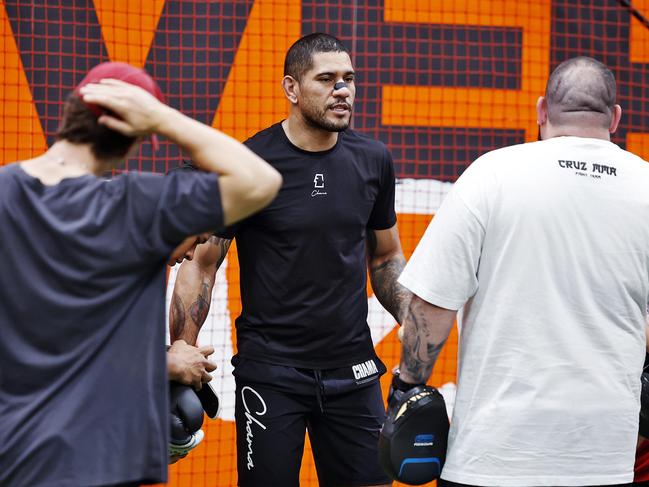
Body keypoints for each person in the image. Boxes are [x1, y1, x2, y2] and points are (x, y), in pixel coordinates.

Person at [0, 61, 281, 487]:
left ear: (70, 115)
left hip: (13, 454)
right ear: (133, 137)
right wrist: (163, 119)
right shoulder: (137, 205)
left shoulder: (4, 194)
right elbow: (259, 180)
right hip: (105, 459)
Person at [391, 55, 649, 487]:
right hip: (604, 459)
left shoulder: (492, 174)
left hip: (492, 459)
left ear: (542, 110)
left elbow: (431, 306)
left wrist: (407, 386)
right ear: (616, 118)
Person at [170, 33, 411, 487]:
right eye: (326, 79)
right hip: (271, 374)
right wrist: (182, 355)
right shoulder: (251, 166)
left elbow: (385, 258)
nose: (342, 90)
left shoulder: (373, 161)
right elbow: (201, 264)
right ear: (292, 89)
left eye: (349, 79)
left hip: (354, 373)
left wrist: (415, 321)